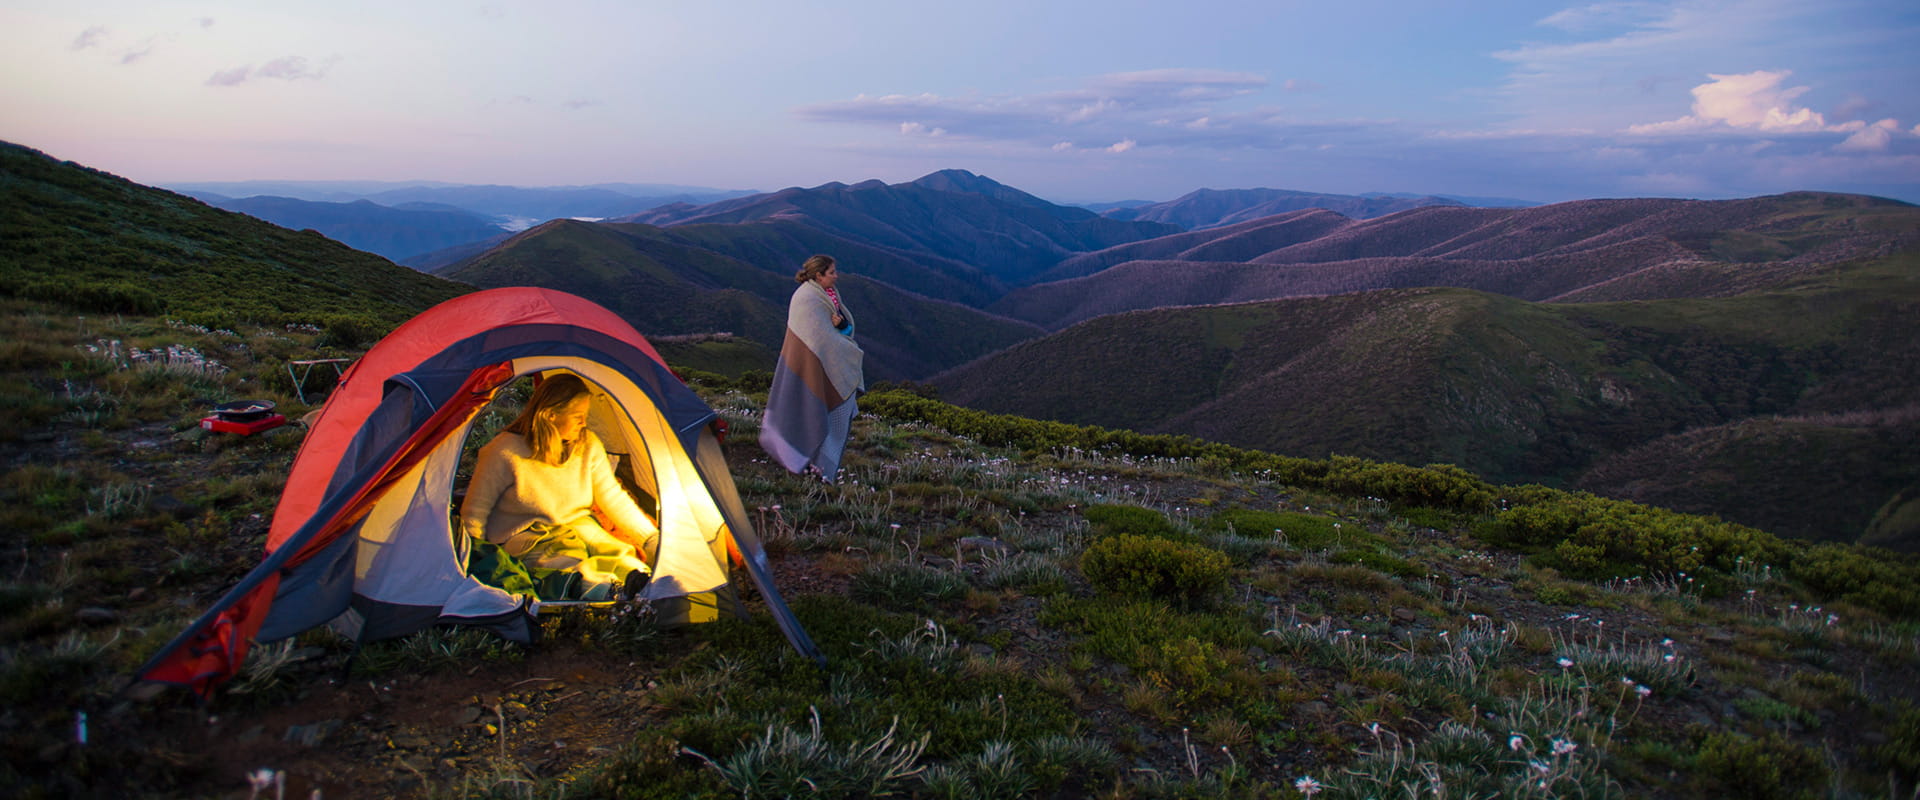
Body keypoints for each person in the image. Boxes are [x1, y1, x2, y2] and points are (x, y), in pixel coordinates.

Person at [460, 373, 654, 600]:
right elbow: (475, 512)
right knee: (566, 562)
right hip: (529, 535)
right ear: (550, 415)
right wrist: (473, 559)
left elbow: (612, 497)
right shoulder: (504, 452)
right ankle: (599, 591)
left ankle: (639, 579)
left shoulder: (587, 443)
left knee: (615, 550)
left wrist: (651, 539)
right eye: (578, 416)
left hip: (578, 525)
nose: (584, 423)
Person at [761, 254, 865, 483]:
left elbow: (840, 330)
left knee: (835, 420)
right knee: (815, 413)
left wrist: (845, 329)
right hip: (811, 366)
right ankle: (815, 467)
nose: (836, 277)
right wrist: (852, 352)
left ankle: (823, 467)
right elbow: (817, 340)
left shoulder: (829, 296)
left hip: (827, 363)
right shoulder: (807, 299)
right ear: (818, 275)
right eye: (831, 273)